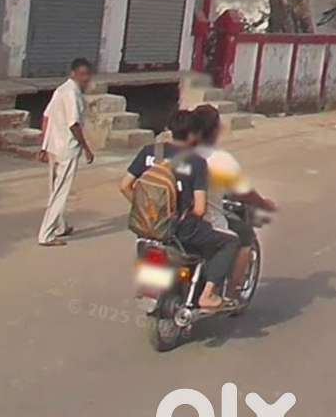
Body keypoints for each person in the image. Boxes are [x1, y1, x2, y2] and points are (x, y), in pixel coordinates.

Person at [119, 109, 238, 310]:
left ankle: (153, 285)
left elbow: (124, 186)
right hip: (180, 230)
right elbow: (199, 209)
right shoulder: (196, 162)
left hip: (148, 227)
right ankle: (207, 295)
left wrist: (146, 211)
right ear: (193, 135)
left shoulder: (150, 151)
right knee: (230, 242)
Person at [192, 104, 277, 298]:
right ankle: (231, 293)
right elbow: (243, 192)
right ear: (215, 130)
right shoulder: (219, 159)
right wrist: (264, 203)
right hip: (208, 222)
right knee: (245, 236)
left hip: (173, 221)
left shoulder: (175, 153)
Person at [37, 58, 95, 247]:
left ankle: (60, 226)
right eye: (83, 74)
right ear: (73, 73)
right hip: (66, 149)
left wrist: (44, 145)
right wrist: (86, 148)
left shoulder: (61, 90)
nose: (86, 79)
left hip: (54, 146)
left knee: (56, 189)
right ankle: (46, 235)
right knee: (60, 192)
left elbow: (46, 116)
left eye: (88, 75)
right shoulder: (72, 93)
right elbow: (73, 124)